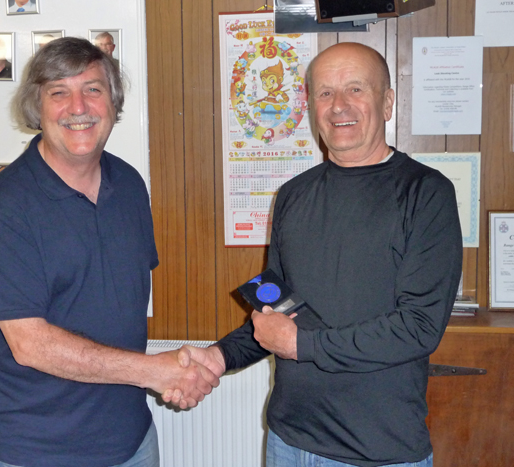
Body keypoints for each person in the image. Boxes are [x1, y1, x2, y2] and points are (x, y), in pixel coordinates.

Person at [171, 42, 463, 467]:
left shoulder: (426, 193)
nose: (339, 105)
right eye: (325, 92)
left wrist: (303, 344)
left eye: (355, 89)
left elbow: (418, 328)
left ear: (387, 102)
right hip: (288, 442)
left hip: (376, 452)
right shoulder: (292, 195)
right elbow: (277, 311)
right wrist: (217, 356)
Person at [0, 37, 218, 467]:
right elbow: (31, 345)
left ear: (113, 103)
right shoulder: (3, 208)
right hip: (31, 450)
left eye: (93, 89)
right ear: (37, 108)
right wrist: (154, 371)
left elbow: (116, 306)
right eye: (59, 93)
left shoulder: (131, 185)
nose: (78, 107)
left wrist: (173, 371)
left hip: (129, 442)